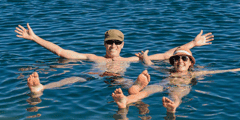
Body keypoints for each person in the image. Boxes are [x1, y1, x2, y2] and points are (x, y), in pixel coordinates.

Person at [16, 24, 214, 92]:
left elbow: (166, 55)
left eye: (117, 43)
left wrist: (192, 44)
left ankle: (136, 92)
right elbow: (61, 52)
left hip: (119, 78)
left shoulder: (131, 60)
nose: (113, 46)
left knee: (130, 83)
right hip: (95, 75)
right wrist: (34, 37)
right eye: (110, 42)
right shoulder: (92, 57)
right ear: (104, 44)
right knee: (78, 77)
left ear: (122, 45)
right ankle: (41, 88)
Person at [111, 47, 240, 114]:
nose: (180, 61)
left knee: (177, 95)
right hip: (165, 83)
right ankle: (125, 100)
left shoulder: (195, 74)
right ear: (173, 62)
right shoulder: (168, 70)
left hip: (182, 85)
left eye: (184, 58)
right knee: (145, 92)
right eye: (177, 59)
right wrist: (145, 58)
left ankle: (173, 107)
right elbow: (151, 66)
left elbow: (224, 70)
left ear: (190, 62)